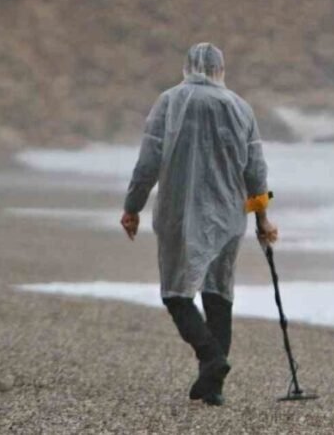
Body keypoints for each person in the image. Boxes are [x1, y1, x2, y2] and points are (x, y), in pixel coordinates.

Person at [119, 42, 278, 406]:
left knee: (176, 293)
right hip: (229, 217)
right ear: (221, 68)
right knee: (218, 294)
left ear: (187, 66)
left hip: (181, 214)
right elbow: (256, 172)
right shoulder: (240, 108)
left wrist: (133, 207)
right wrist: (263, 219)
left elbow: (148, 162)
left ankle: (211, 359)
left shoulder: (169, 102)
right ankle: (214, 388)